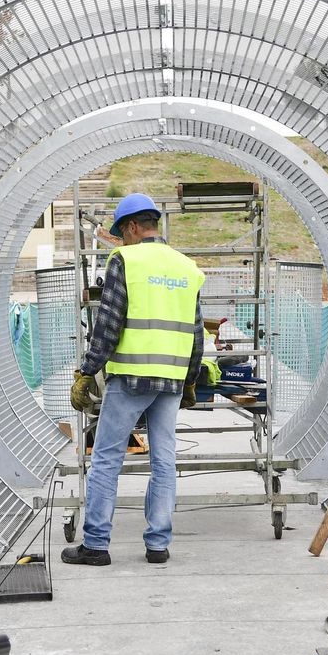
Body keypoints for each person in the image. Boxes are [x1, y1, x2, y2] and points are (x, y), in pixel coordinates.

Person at [63, 193, 204, 566]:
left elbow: (108, 324)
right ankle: (158, 545)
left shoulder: (125, 259)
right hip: (172, 380)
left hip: (131, 377)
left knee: (107, 458)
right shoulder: (186, 267)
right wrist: (190, 381)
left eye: (120, 232)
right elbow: (195, 333)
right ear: (153, 226)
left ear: (130, 228)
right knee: (164, 460)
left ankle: (96, 545)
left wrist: (87, 370)